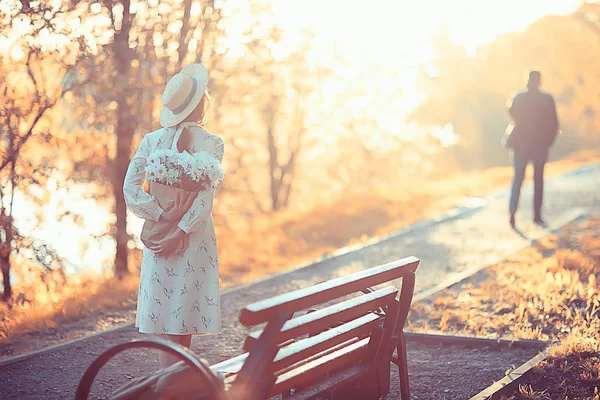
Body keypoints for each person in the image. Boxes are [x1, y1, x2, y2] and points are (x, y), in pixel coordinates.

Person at [123, 64, 224, 368]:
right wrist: (181, 228)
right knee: (184, 314)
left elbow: (130, 188)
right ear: (201, 103)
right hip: (194, 238)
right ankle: (174, 382)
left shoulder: (151, 140)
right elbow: (204, 201)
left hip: (159, 234)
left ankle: (167, 381)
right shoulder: (213, 143)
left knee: (165, 313)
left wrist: (158, 214)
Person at [506, 69, 559, 227]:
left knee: (518, 178)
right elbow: (554, 124)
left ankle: (512, 213)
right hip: (540, 145)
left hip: (520, 145)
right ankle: (537, 215)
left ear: (527, 80)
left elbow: (511, 114)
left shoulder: (518, 97)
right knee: (538, 179)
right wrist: (548, 141)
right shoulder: (547, 99)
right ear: (539, 81)